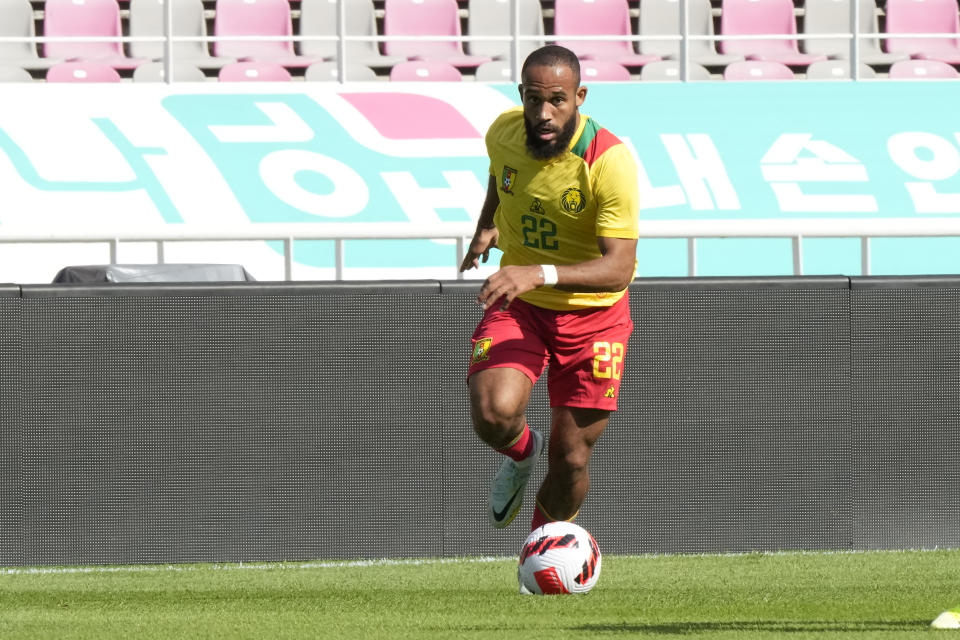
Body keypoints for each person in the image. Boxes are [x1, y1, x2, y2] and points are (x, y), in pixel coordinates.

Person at [459, 44, 640, 532]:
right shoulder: (503, 132)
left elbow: (618, 268)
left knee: (573, 459)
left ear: (579, 96)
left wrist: (538, 271)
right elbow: (502, 176)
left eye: (557, 100)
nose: (543, 113)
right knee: (493, 414)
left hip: (595, 315)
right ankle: (521, 454)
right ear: (521, 94)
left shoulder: (609, 160)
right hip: (522, 305)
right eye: (533, 99)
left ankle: (539, 555)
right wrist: (487, 224)